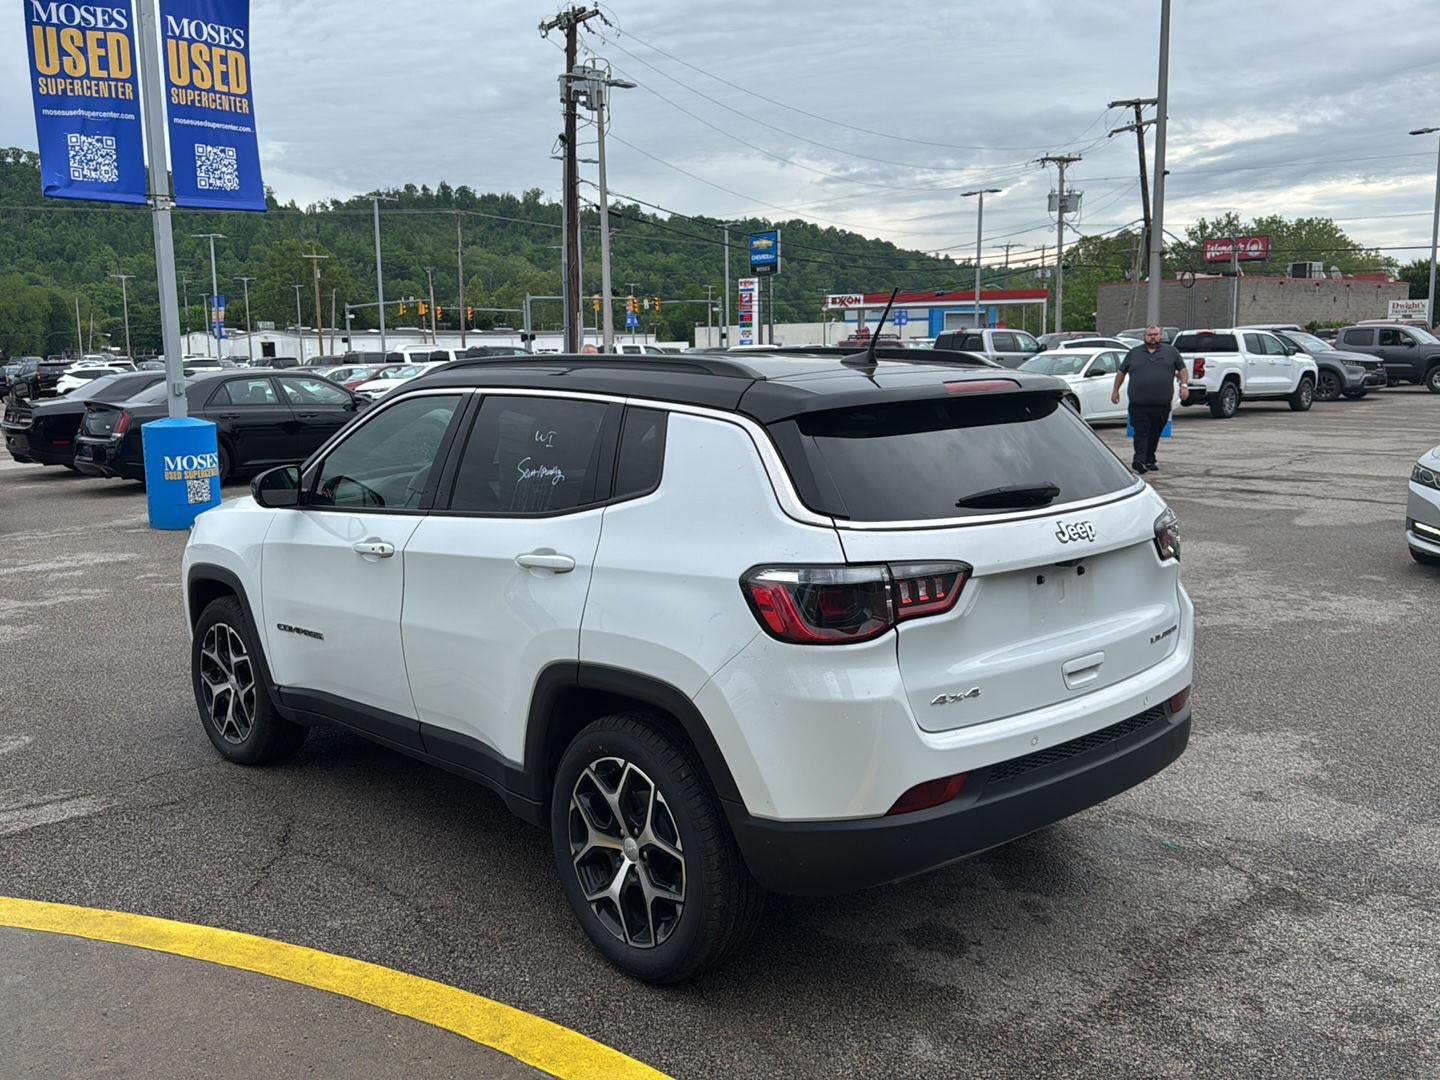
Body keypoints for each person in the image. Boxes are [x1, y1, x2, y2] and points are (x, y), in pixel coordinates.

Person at [1111, 324, 1189, 473]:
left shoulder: (1171, 352)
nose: (1152, 337)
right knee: (1141, 432)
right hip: (1139, 403)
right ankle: (1139, 460)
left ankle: (1149, 459)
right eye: (1149, 334)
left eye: (1155, 334)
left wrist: (1184, 386)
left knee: (1155, 432)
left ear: (1160, 336)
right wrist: (1115, 391)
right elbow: (1121, 372)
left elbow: (1182, 369)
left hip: (1162, 403)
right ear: (1144, 337)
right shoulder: (1134, 353)